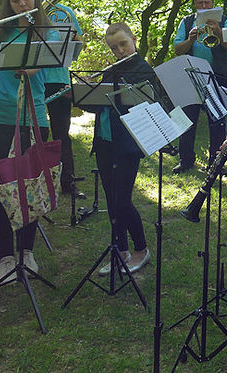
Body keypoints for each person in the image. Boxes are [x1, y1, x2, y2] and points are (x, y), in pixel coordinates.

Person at [0, 0, 57, 283]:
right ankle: (5, 258)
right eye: (15, 0)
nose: (22, 4)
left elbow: (27, 66)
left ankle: (26, 252)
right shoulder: (1, 30)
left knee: (31, 186)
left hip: (32, 117)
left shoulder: (48, 34)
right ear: (8, 4)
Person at [81, 23, 151, 275]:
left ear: (133, 39)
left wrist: (110, 92)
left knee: (122, 200)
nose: (120, 51)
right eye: (114, 47)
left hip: (127, 145)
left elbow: (140, 105)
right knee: (111, 200)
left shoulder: (143, 69)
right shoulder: (111, 71)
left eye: (123, 44)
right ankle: (120, 250)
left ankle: (141, 250)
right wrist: (85, 91)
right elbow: (98, 106)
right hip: (104, 142)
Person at [30, 0, 84, 196]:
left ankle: (67, 181)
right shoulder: (26, 13)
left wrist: (74, 40)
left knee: (62, 132)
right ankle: (36, 181)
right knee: (36, 134)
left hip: (59, 79)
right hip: (35, 79)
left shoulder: (65, 12)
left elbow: (77, 48)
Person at [172, 0, 227, 173]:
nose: (203, 6)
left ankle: (215, 162)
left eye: (206, 2)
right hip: (191, 75)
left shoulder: (225, 21)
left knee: (217, 120)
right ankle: (186, 160)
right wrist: (190, 40)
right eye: (199, 3)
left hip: (217, 76)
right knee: (187, 119)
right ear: (195, 4)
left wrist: (218, 31)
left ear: (212, 3)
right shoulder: (186, 22)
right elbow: (178, 50)